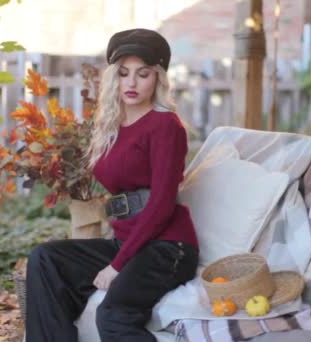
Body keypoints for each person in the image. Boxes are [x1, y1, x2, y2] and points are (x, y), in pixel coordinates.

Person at [25, 28, 200, 341]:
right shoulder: (112, 125)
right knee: (46, 259)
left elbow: (161, 204)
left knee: (114, 315)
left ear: (158, 78)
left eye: (142, 73)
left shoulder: (165, 125)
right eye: (123, 73)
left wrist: (117, 266)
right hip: (128, 241)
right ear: (113, 77)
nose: (131, 83)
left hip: (167, 248)